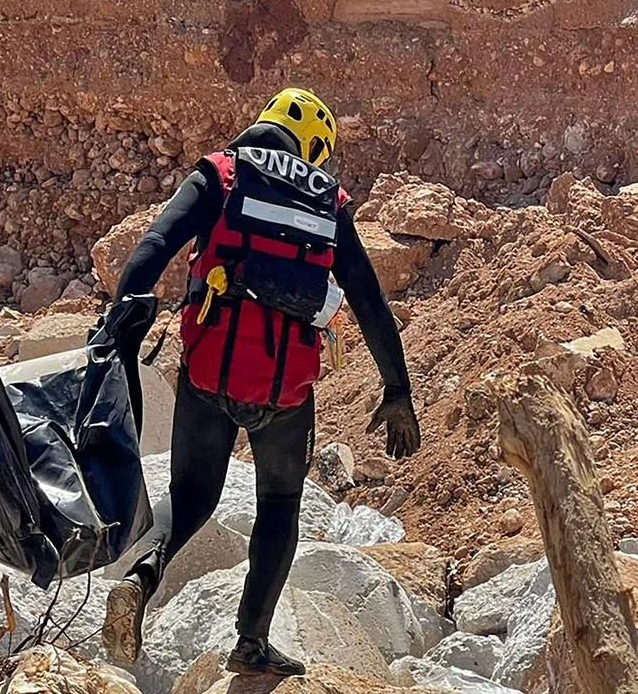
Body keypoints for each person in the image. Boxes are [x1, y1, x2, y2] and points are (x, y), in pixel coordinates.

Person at [101, 88, 421, 677]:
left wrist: (121, 321)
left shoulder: (222, 174)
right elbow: (369, 300)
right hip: (285, 394)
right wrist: (396, 390)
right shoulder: (328, 201)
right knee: (279, 503)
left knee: (193, 497)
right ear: (314, 149)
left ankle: (140, 581)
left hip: (207, 372)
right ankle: (251, 644)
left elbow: (153, 247)